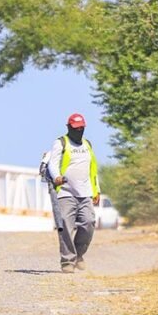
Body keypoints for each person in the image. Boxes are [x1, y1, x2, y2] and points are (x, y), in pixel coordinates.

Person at [47, 113, 100, 273]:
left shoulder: (87, 144)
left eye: (82, 128)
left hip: (85, 193)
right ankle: (67, 261)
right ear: (69, 127)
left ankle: (78, 255)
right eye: (76, 128)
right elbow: (53, 163)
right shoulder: (61, 143)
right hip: (65, 192)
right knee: (66, 226)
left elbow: (93, 169)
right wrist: (56, 177)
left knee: (88, 223)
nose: (79, 131)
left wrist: (96, 190)